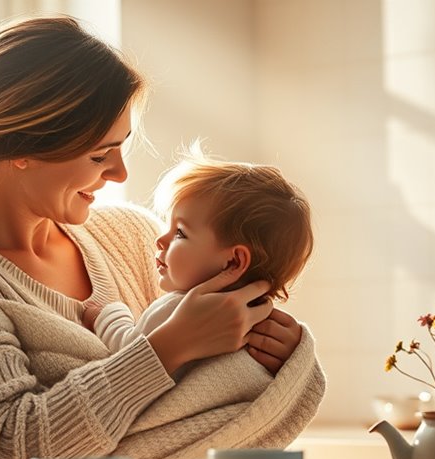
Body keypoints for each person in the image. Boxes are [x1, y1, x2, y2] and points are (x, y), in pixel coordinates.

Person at [0, 15, 325, 459]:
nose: (119, 173)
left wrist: (282, 352)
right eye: (99, 154)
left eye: (121, 147)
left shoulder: (133, 236)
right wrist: (168, 346)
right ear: (27, 147)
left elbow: (213, 405)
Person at [83, 147, 314, 390]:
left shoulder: (180, 310)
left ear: (234, 262)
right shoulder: (264, 323)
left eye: (180, 233)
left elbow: (128, 353)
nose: (160, 240)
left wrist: (108, 315)